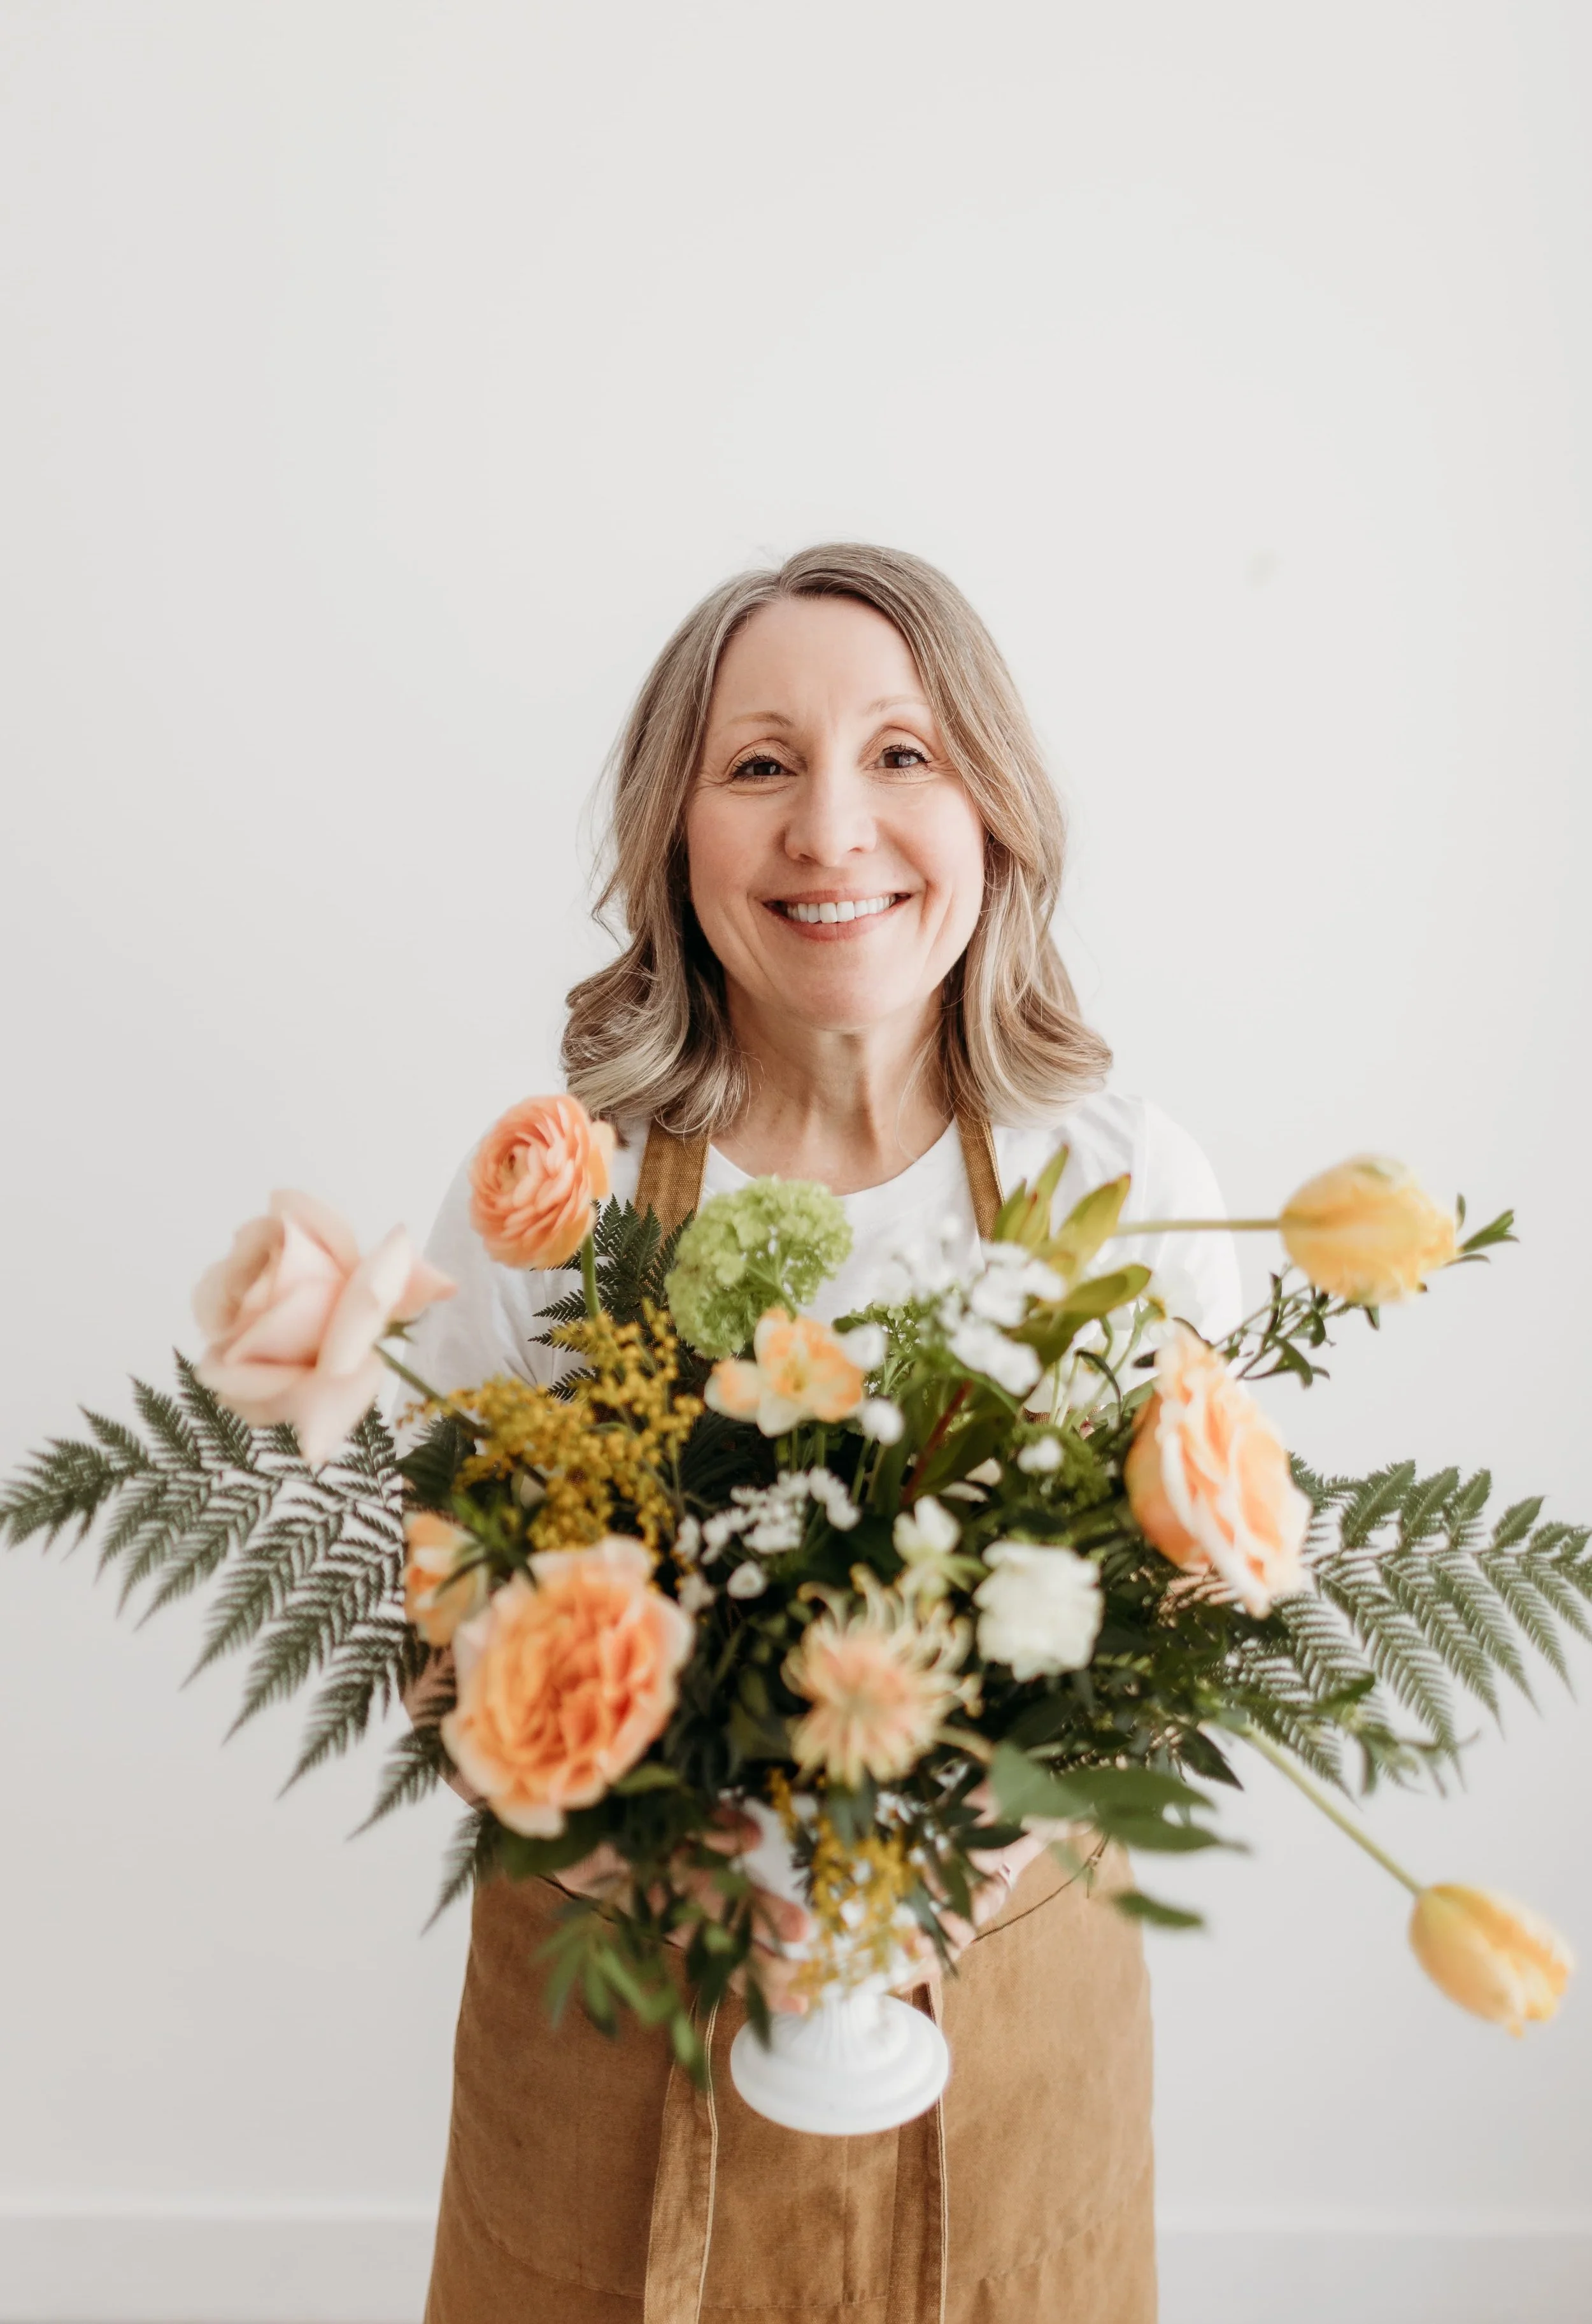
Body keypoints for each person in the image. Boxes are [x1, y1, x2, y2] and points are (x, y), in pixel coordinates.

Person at [406, 543, 1240, 2324]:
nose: (831, 831)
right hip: (615, 2045)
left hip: (1014, 2049)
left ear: (993, 815)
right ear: (675, 834)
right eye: (760, 765)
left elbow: (1190, 1628)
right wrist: (657, 1847)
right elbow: (425, 1625)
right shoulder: (552, 1203)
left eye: (902, 756)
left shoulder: (1124, 1187)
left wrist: (976, 1844)